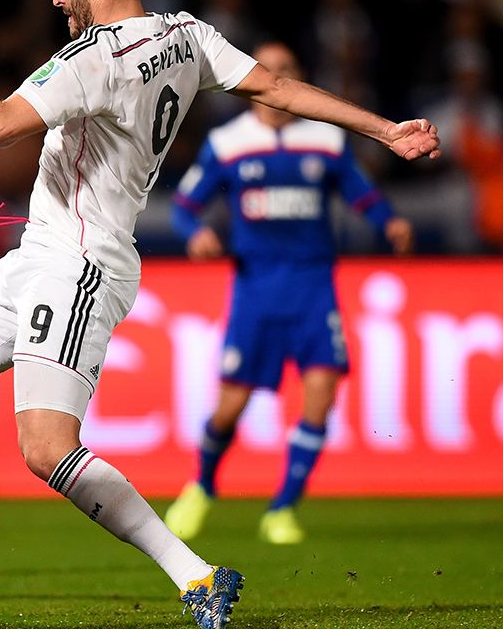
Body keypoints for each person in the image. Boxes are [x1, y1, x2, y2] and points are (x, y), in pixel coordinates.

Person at [0, 0, 439, 629]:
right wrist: (383, 128)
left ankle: (194, 574)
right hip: (39, 258)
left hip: (79, 264)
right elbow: (279, 87)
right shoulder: (188, 34)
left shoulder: (93, 56)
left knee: (46, 448)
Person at [161, 41, 415, 546]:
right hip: (256, 290)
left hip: (313, 287)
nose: (274, 79)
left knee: (321, 394)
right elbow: (183, 206)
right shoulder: (229, 143)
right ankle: (203, 485)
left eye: (285, 69)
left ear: (297, 79)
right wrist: (194, 232)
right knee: (230, 407)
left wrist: (390, 223)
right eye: (267, 70)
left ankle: (282, 506)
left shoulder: (325, 140)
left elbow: (360, 192)